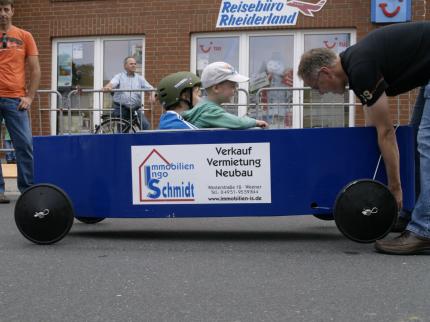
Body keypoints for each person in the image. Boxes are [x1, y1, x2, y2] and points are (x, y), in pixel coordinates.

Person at [298, 21, 430, 255]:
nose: (320, 92)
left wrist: (395, 188)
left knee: (426, 144)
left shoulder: (360, 67)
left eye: (316, 86)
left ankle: (425, 230)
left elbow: (386, 132)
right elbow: (374, 129)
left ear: (325, 72)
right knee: (415, 140)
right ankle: (412, 214)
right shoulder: (355, 66)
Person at [0, 0, 40, 204]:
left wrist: (30, 96)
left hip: (16, 99)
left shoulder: (25, 36)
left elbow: (35, 69)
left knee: (24, 144)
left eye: (6, 9)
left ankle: (28, 189)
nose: (2, 13)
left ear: (12, 11)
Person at [182, 62, 268, 129]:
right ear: (216, 88)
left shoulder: (204, 105)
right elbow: (237, 122)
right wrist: (255, 122)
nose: (236, 90)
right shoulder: (210, 111)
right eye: (232, 86)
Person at [102, 56, 155, 130]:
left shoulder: (140, 78)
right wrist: (108, 87)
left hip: (135, 108)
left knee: (145, 125)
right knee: (122, 130)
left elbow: (150, 88)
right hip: (121, 108)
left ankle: (143, 141)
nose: (134, 65)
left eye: (135, 64)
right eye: (131, 64)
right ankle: (121, 141)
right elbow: (112, 83)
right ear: (125, 66)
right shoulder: (119, 76)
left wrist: (151, 95)